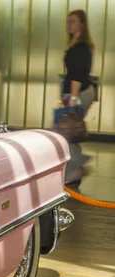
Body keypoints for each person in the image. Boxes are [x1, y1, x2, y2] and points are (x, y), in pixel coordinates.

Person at [61, 9, 96, 187]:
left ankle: (78, 166)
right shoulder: (75, 44)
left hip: (78, 93)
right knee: (70, 131)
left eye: (73, 21)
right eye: (69, 21)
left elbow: (77, 74)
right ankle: (74, 170)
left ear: (82, 24)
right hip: (75, 93)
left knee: (65, 131)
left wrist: (72, 99)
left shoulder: (81, 47)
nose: (70, 24)